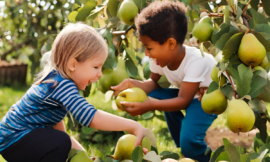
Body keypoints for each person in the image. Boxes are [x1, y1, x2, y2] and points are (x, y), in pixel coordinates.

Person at [0, 22, 149, 162]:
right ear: (73, 64)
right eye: (96, 67)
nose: (100, 74)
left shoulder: (56, 79)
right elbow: (91, 117)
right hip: (15, 140)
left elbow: (57, 126)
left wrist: (81, 155)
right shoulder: (62, 84)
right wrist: (132, 126)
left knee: (60, 141)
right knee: (60, 143)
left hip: (12, 139)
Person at [112, 1, 217, 162]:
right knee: (155, 94)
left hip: (207, 100)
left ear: (171, 44)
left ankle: (207, 157)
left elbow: (183, 101)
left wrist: (150, 104)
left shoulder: (196, 60)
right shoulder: (160, 58)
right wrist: (133, 84)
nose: (147, 54)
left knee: (189, 141)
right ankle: (184, 144)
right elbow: (152, 84)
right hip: (187, 94)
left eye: (149, 48)